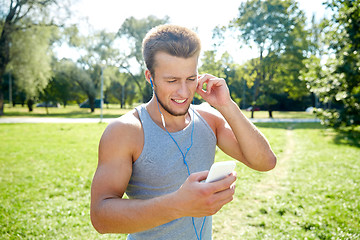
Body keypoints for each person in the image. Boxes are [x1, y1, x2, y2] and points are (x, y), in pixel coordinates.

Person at [90, 24, 276, 240]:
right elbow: (100, 217)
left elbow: (265, 162)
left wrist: (227, 105)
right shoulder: (125, 131)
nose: (184, 92)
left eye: (190, 79)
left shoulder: (210, 119)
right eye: (172, 81)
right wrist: (179, 205)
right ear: (150, 77)